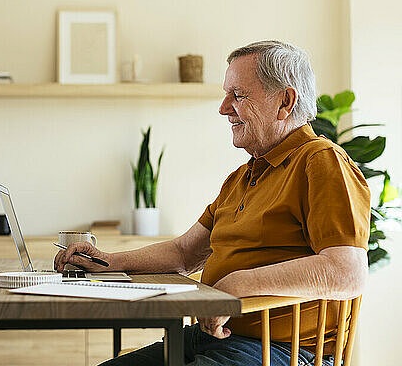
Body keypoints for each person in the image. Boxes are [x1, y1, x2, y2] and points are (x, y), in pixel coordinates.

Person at [54, 40, 370, 366]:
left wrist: (238, 284)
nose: (223, 108)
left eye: (238, 95)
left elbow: (346, 272)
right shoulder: (241, 178)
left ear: (284, 101)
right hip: (212, 336)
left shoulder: (320, 161)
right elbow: (184, 253)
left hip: (279, 350)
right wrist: (107, 261)